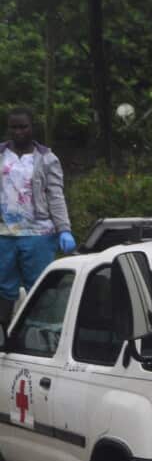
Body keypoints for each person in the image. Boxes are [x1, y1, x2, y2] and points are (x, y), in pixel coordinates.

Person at [0, 107, 74, 324]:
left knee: (41, 287)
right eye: (14, 127)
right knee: (3, 288)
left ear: (32, 127)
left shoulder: (47, 159)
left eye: (23, 127)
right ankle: (3, 338)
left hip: (38, 234)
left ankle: (42, 335)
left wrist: (65, 230)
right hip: (4, 234)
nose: (19, 132)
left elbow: (56, 196)